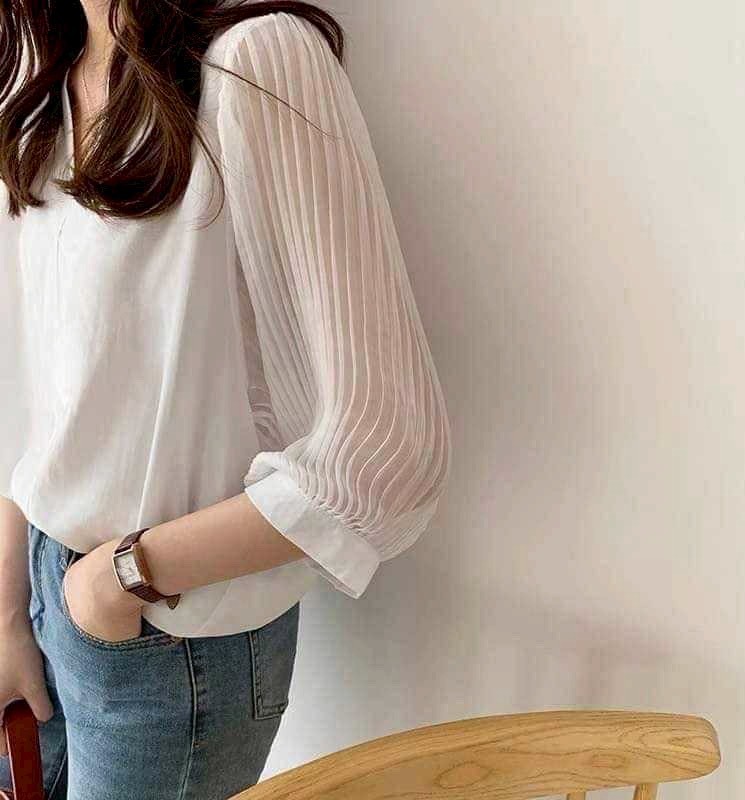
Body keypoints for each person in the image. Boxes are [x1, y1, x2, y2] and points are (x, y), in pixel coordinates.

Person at [0, 1, 452, 797]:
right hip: (42, 592)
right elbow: (43, 403)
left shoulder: (254, 60)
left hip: (164, 631)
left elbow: (388, 445)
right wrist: (10, 606)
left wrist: (117, 581)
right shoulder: (44, 88)